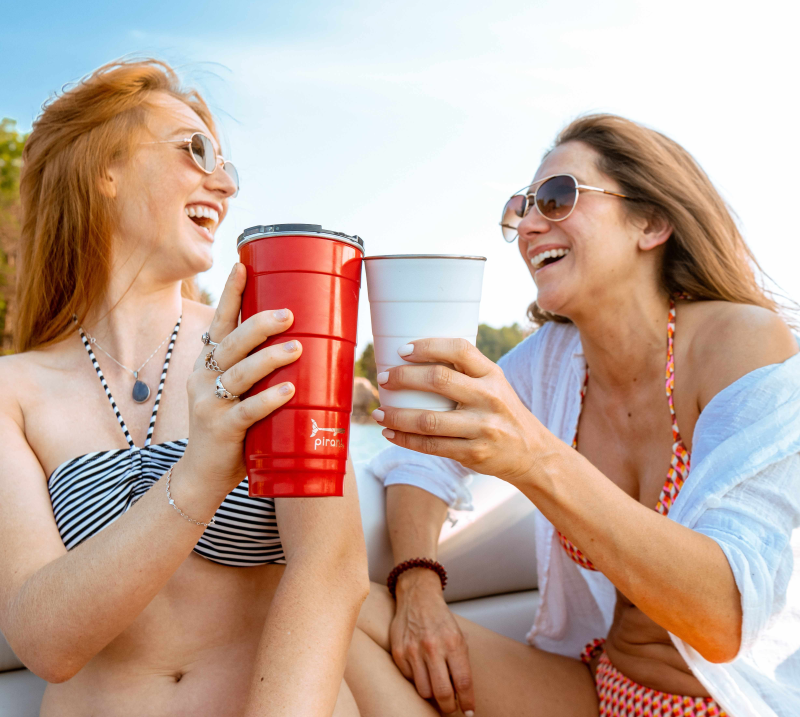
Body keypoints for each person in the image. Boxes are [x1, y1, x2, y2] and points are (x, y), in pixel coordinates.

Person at [344, 115, 800, 716]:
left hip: (721, 703)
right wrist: (418, 582)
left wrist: (534, 458)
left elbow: (723, 622)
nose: (529, 226)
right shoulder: (554, 358)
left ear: (651, 222)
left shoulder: (740, 341)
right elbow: (423, 455)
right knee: (337, 607)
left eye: (557, 198)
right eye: (521, 208)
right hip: (601, 688)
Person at [0, 59, 369, 717]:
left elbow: (332, 571)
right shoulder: (13, 391)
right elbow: (45, 643)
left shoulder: (268, 340)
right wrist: (199, 475)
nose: (223, 185)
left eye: (227, 167)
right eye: (195, 151)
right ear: (104, 170)